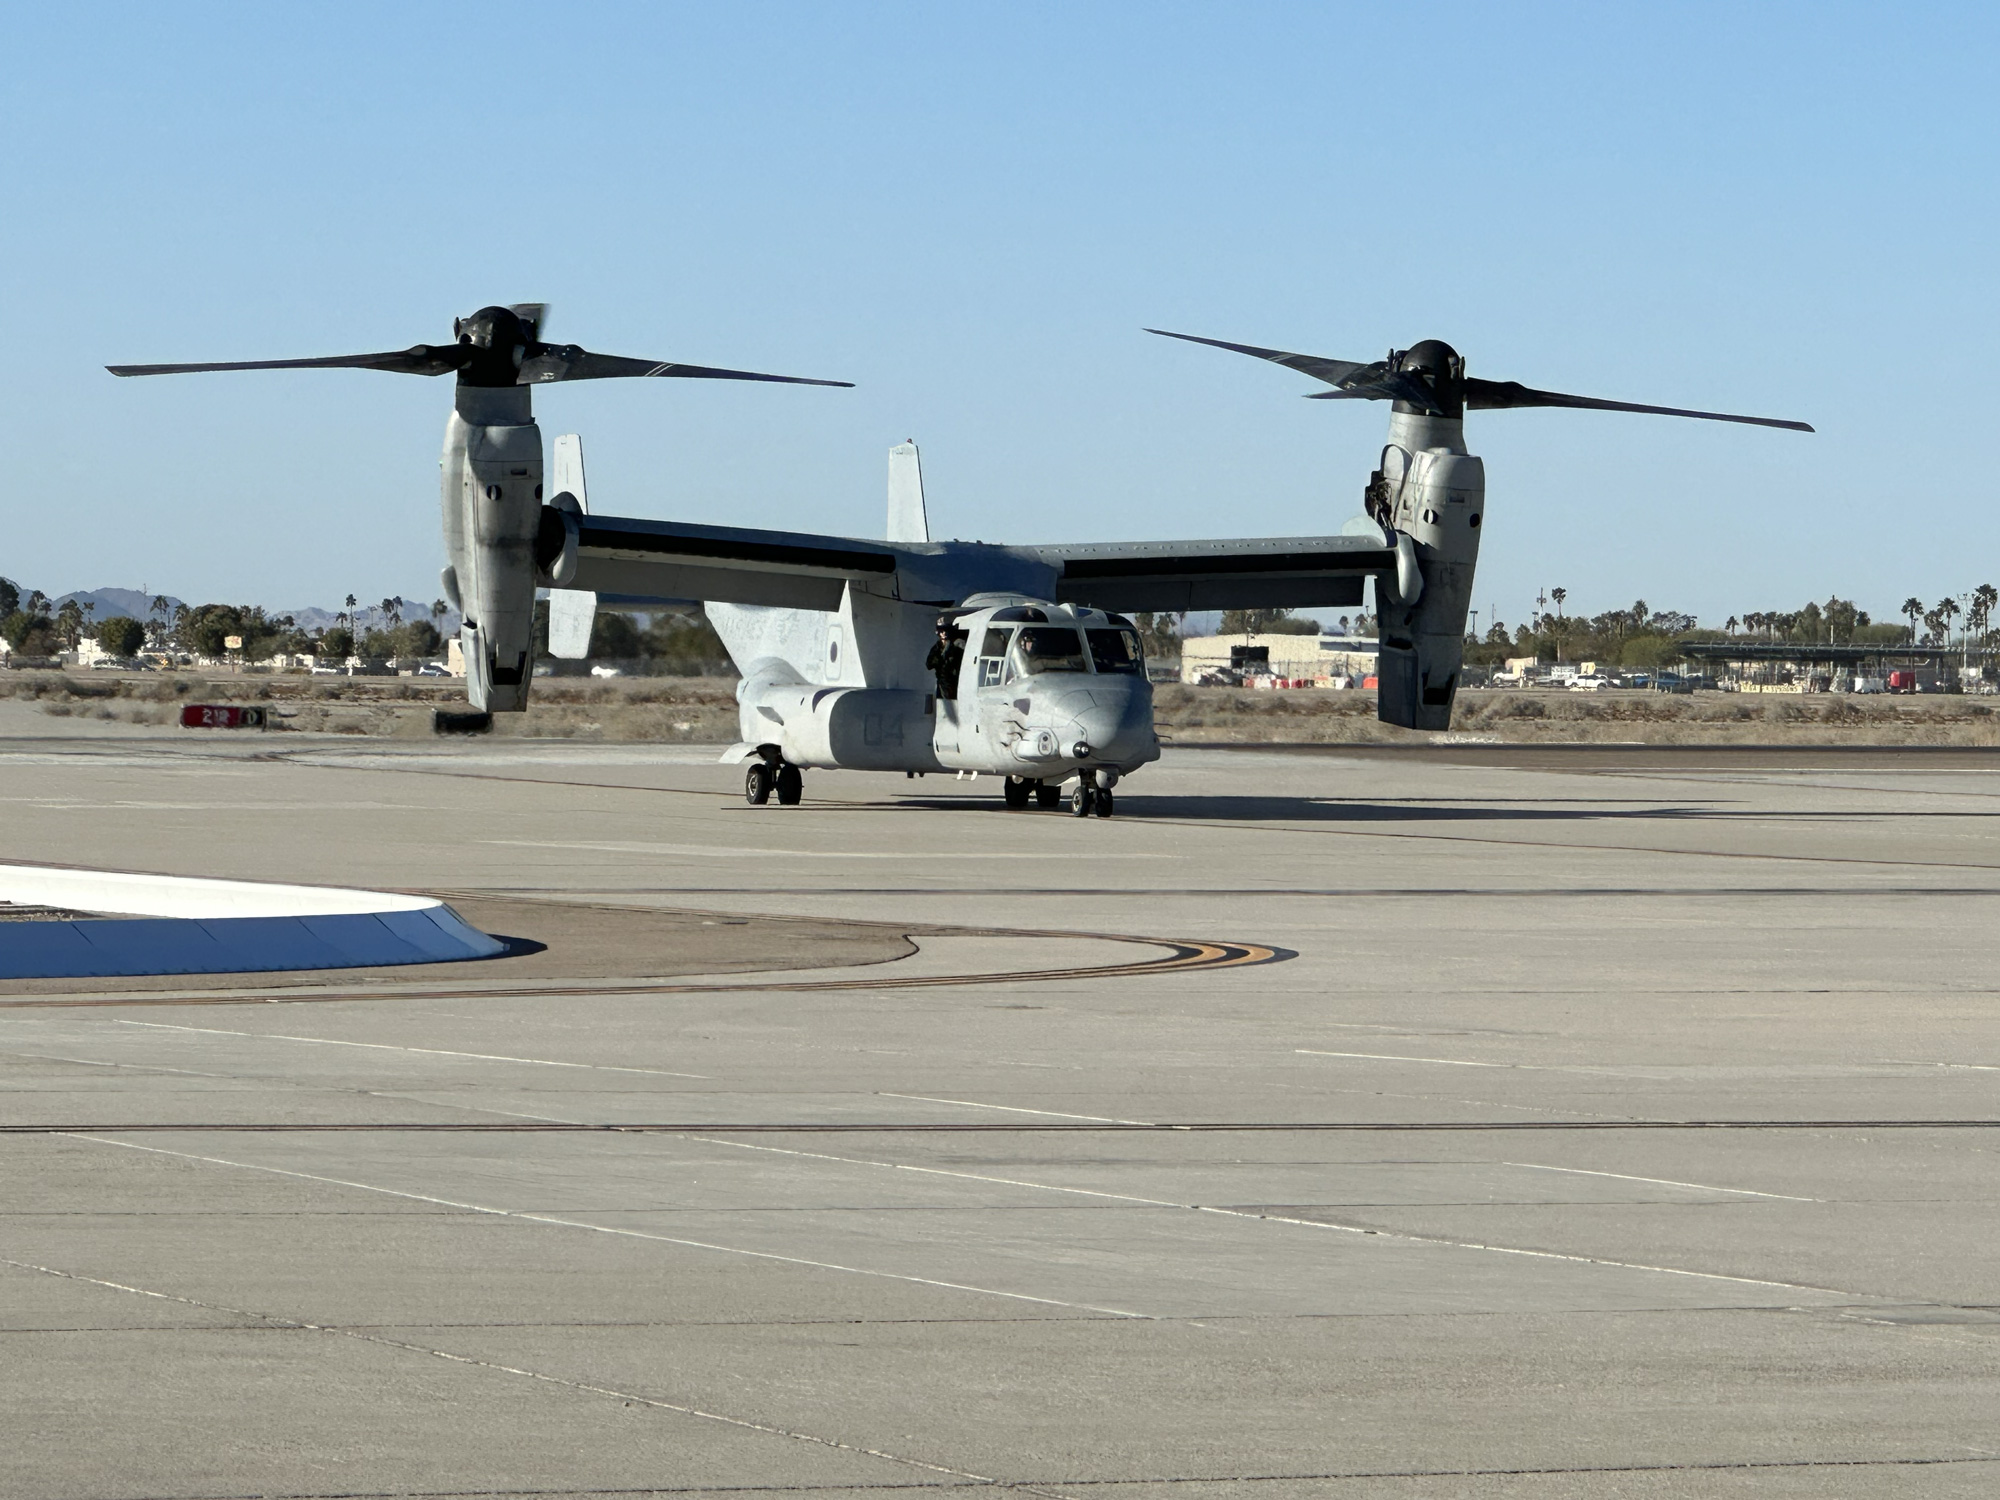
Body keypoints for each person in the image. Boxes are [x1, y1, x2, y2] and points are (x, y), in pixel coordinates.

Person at [925, 621, 964, 699]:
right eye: (941, 630)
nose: (944, 632)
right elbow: (929, 664)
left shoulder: (958, 644)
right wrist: (939, 658)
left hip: (954, 682)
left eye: (946, 630)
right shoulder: (937, 647)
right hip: (941, 682)